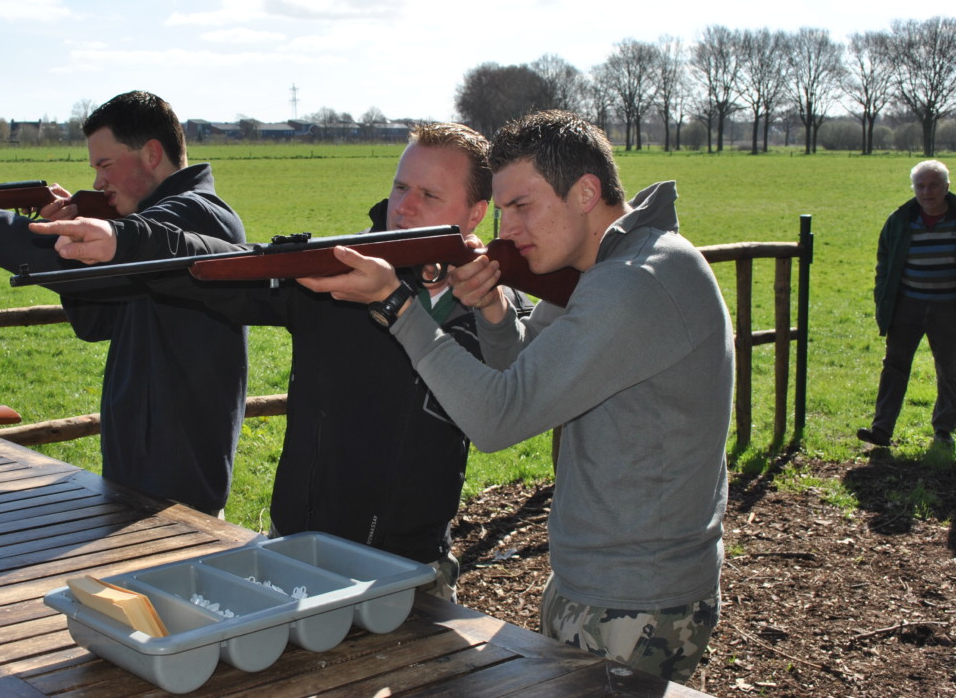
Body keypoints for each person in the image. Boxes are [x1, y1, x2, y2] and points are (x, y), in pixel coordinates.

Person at [296, 109, 732, 684]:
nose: (509, 230)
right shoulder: (606, 266)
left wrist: (396, 307)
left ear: (585, 192)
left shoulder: (633, 284)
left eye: (523, 207)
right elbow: (527, 370)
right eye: (502, 211)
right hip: (603, 580)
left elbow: (499, 419)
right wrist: (494, 311)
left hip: (635, 596)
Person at [33, 122, 532, 599]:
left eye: (429, 195)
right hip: (298, 553)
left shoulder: (495, 312)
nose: (403, 207)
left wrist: (492, 304)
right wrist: (128, 241)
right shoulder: (334, 273)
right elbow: (226, 266)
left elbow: (517, 400)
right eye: (401, 187)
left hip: (414, 568)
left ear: (474, 213)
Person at [0, 91, 247, 515]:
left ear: (152, 154)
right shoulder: (154, 220)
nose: (98, 182)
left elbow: (109, 271)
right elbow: (95, 319)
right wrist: (63, 232)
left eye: (105, 165)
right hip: (141, 468)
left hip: (179, 479)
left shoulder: (198, 217)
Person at [858, 159, 956, 449]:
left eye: (933, 185)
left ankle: (943, 430)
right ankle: (881, 430)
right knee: (895, 367)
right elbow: (884, 265)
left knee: (950, 369)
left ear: (946, 188)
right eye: (921, 186)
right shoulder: (900, 220)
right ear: (914, 189)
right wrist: (882, 299)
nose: (927, 192)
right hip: (907, 306)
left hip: (948, 308)